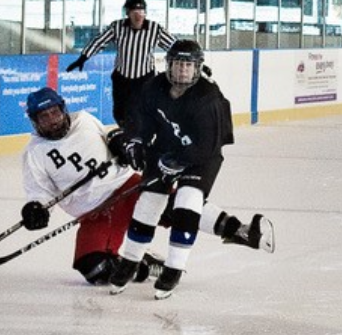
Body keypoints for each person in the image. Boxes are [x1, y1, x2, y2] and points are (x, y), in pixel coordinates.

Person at [19, 87, 270, 288]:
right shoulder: (34, 153)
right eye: (44, 117)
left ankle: (239, 230)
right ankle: (146, 265)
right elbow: (39, 194)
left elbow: (109, 137)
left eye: (54, 112)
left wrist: (120, 142)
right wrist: (36, 210)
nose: (52, 120)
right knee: (95, 269)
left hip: (125, 188)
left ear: (63, 109)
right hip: (93, 214)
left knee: (177, 206)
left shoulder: (83, 120)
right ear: (34, 122)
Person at [104, 40, 250, 299]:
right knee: (147, 203)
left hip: (202, 159)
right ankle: (129, 261)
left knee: (187, 203)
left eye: (189, 65)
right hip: (163, 151)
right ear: (169, 65)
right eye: (178, 64)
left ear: (198, 68)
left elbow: (208, 144)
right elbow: (140, 119)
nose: (183, 70)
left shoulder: (209, 98)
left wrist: (178, 163)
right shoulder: (153, 87)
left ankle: (174, 268)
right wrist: (135, 142)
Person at [65, 0, 176, 129]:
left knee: (139, 112)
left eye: (141, 12)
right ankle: (126, 133)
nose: (138, 17)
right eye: (135, 13)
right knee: (119, 112)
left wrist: (195, 61)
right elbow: (99, 41)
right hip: (122, 77)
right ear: (127, 14)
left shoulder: (154, 29)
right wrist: (83, 57)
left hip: (145, 78)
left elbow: (175, 46)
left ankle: (139, 138)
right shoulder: (117, 27)